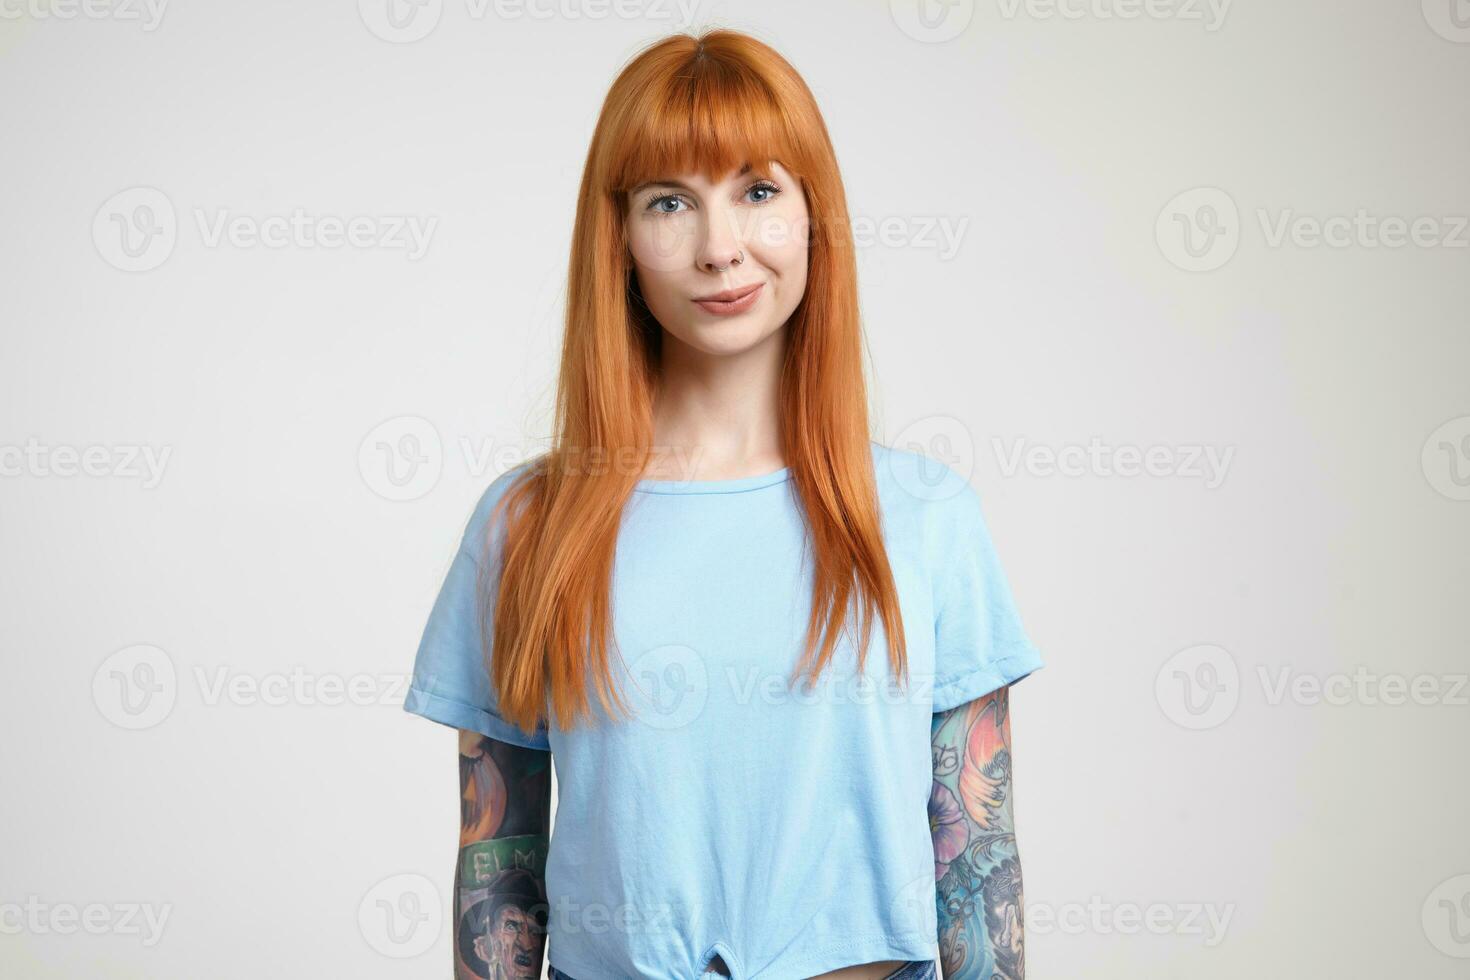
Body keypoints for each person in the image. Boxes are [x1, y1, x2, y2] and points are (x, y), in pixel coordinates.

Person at [404, 27, 1044, 980]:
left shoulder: (925, 515)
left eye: (757, 191)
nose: (719, 248)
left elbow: (974, 862)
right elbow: (498, 871)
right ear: (618, 237)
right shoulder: (529, 525)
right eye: (670, 201)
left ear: (812, 214)